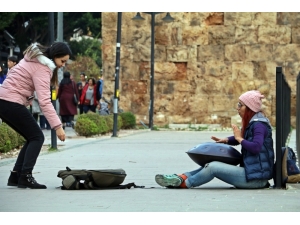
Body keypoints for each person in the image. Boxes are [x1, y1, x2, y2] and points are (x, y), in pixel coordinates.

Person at [155, 90, 275, 189]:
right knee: (209, 164)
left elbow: (256, 147)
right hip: (252, 174)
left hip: (256, 179)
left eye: (240, 105)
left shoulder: (259, 125)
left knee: (213, 167)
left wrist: (238, 138)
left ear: (249, 108)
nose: (237, 108)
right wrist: (227, 140)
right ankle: (181, 177)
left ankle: (184, 184)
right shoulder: (254, 122)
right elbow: (245, 139)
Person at [0, 42, 72, 189]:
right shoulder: (43, 68)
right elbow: (45, 101)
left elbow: (13, 76)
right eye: (62, 61)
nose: (63, 65)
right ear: (54, 56)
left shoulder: (31, 59)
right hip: (11, 102)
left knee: (32, 137)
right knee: (37, 137)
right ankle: (25, 176)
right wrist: (58, 126)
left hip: (4, 101)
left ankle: (16, 175)